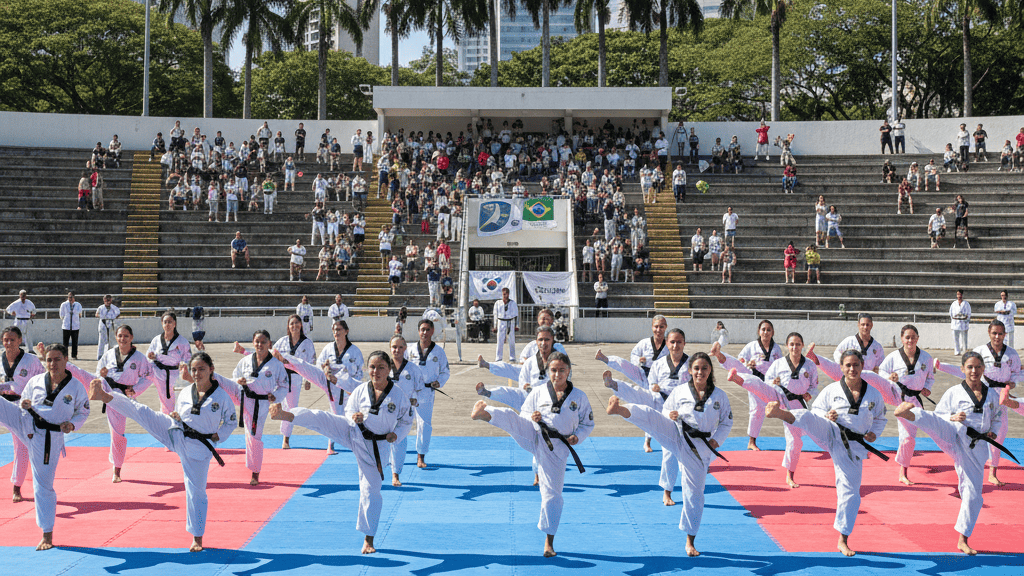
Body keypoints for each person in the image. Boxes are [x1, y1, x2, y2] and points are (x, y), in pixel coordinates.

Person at [269, 350, 412, 554]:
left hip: (376, 448)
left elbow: (407, 421)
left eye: (381, 367)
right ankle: (287, 415)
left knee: (371, 491)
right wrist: (354, 417)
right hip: (353, 432)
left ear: (389, 369)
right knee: (322, 418)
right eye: (372, 367)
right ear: (367, 369)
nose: (376, 371)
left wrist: (396, 435)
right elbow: (348, 411)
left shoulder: (398, 395)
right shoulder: (362, 389)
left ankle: (368, 539)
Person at [89, 351, 235, 552]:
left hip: (199, 447)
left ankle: (197, 537)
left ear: (211, 370)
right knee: (144, 413)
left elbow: (231, 421)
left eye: (202, 369)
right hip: (177, 433)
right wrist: (175, 416)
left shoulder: (221, 397)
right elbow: (180, 414)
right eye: (194, 369)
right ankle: (106, 396)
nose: (197, 373)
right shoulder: (185, 392)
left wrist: (219, 435)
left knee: (196, 492)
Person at [605, 352, 730, 557]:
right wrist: (669, 415)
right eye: (696, 368)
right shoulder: (680, 391)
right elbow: (665, 411)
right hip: (677, 434)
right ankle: (621, 410)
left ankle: (690, 540)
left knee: (694, 494)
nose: (700, 372)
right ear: (690, 371)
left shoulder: (719, 396)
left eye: (704, 368)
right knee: (651, 416)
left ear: (710, 371)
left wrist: (717, 440)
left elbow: (727, 421)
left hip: (699, 448)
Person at [471, 351, 593, 558]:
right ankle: (486, 413)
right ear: (548, 371)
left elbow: (587, 424)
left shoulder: (579, 397)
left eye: (561, 370)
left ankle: (549, 541)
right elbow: (525, 413)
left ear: (569, 371)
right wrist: (532, 416)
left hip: (557, 447)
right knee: (512, 417)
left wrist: (577, 437)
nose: (557, 374)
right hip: (535, 434)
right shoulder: (538, 391)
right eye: (553, 370)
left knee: (552, 495)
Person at [897, 352, 1005, 555]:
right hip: (954, 434)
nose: (974, 371)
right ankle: (911, 414)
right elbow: (939, 416)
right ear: (963, 369)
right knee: (936, 422)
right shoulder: (954, 392)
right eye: (970, 367)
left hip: (975, 447)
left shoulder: (992, 395)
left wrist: (993, 431)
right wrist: (952, 416)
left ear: (983, 369)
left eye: (978, 367)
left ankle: (963, 539)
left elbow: (997, 417)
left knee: (973, 496)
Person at [0, 343, 89, 550]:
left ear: (66, 360)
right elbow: (25, 400)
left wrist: (72, 424)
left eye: (57, 359)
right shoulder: (36, 380)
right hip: (26, 423)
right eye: (49, 359)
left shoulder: (75, 387)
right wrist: (24, 404)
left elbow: (83, 412)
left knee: (43, 485)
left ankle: (47, 533)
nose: (52, 363)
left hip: (49, 437)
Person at [603, 328, 694, 504]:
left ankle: (673, 490)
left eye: (679, 342)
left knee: (677, 451)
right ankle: (615, 387)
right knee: (640, 396)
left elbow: (697, 388)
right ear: (667, 344)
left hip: (681, 412)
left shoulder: (691, 364)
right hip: (660, 404)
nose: (675, 345)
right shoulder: (659, 364)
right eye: (672, 342)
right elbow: (651, 381)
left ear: (684, 343)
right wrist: (654, 387)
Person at [935, 319, 1019, 486]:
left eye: (1000, 333)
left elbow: (1017, 373)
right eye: (994, 333)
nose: (997, 336)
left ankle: (993, 471)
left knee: (999, 434)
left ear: (1005, 334)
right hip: (982, 392)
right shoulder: (980, 351)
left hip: (1001, 396)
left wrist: (1013, 383)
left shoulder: (1012, 354)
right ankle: (965, 469)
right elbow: (967, 370)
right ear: (989, 333)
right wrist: (942, 366)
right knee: (970, 431)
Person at [727, 332, 817, 489]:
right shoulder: (780, 363)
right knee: (760, 385)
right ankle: (738, 378)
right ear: (787, 346)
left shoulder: (809, 365)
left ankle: (790, 475)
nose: (795, 347)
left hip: (796, 404)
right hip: (779, 395)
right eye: (792, 344)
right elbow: (767, 379)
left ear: (802, 345)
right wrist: (773, 382)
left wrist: (810, 394)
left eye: (798, 344)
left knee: (795, 440)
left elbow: (814, 386)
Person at [873, 324, 935, 485]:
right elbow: (881, 371)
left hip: (914, 401)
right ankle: (903, 472)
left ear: (918, 338)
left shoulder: (926, 358)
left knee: (917, 435)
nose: (910, 340)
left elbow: (930, 378)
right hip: (896, 396)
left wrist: (927, 388)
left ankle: (903, 464)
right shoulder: (894, 356)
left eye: (913, 337)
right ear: (902, 338)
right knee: (907, 437)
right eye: (907, 337)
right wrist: (890, 376)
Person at [709, 319, 783, 450]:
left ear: (773, 332)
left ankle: (752, 442)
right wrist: (748, 364)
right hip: (751, 376)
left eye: (768, 330)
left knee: (758, 410)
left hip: (768, 383)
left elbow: (780, 367)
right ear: (759, 332)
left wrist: (779, 379)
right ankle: (720, 355)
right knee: (756, 408)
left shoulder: (777, 349)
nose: (765, 332)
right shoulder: (752, 346)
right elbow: (741, 360)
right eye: (763, 329)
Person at [229, 330, 289, 485]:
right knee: (250, 434)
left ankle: (255, 472)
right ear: (253, 342)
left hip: (262, 403)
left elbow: (284, 385)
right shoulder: (246, 360)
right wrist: (238, 380)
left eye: (263, 342)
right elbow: (235, 374)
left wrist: (275, 397)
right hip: (246, 399)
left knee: (255, 434)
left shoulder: (276, 365)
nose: (260, 345)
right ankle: (254, 468)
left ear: (269, 344)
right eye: (257, 341)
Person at [0, 327, 45, 503]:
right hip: (2, 403)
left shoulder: (31, 361)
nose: (8, 343)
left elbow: (44, 382)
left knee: (22, 446)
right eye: (5, 340)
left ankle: (17, 487)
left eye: (12, 339)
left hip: (20, 408)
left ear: (20, 340)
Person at [405, 319, 450, 468]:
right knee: (400, 421)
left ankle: (420, 456)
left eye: (427, 329)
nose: (424, 332)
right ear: (418, 331)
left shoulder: (439, 352)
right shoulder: (410, 350)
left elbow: (445, 371)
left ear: (432, 332)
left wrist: (439, 382)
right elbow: (400, 366)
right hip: (409, 391)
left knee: (424, 425)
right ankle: (393, 455)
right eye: (422, 329)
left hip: (427, 391)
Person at [274, 315, 316, 450]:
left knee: (291, 407)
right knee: (279, 406)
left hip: (296, 379)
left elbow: (311, 363)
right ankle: (283, 435)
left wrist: (308, 379)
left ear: (301, 326)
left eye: (297, 323)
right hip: (280, 378)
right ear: (288, 326)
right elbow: (271, 356)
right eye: (292, 324)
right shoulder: (282, 341)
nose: (294, 326)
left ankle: (286, 438)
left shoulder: (307, 343)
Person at [146, 311, 193, 415]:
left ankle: (171, 419)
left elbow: (188, 358)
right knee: (163, 399)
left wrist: (184, 364)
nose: (167, 324)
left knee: (174, 400)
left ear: (174, 324)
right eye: (165, 322)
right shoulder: (156, 340)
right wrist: (151, 356)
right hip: (158, 371)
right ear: (162, 324)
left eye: (170, 322)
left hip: (174, 374)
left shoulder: (182, 341)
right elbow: (148, 355)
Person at [94, 295, 120, 360]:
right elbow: (96, 314)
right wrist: (103, 316)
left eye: (109, 300)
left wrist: (112, 318)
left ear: (111, 300)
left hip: (110, 323)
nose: (108, 302)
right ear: (104, 300)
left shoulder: (114, 307)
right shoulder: (101, 307)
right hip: (103, 323)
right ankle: (100, 355)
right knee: (102, 340)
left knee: (111, 341)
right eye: (106, 300)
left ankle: (111, 355)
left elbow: (118, 314)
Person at [59, 292, 83, 360]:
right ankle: (65, 355)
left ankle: (74, 355)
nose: (70, 299)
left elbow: (80, 314)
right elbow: (61, 315)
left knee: (75, 341)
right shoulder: (64, 304)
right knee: (65, 342)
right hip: (66, 326)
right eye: (69, 297)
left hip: (75, 326)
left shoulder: (78, 305)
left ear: (74, 298)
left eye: (71, 297)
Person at [950, 290, 971, 355]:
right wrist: (954, 318)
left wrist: (965, 319)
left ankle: (964, 350)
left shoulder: (966, 303)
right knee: (956, 338)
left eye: (960, 294)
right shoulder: (954, 303)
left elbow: (969, 313)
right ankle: (957, 351)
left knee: (964, 338)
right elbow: (951, 313)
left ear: (962, 295)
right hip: (955, 323)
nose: (959, 296)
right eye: (958, 294)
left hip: (963, 323)